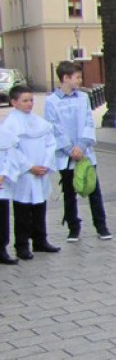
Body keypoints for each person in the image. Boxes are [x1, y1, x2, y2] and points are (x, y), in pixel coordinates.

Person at [45, 61, 113, 242]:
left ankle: (101, 226)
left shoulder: (83, 98)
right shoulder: (51, 102)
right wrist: (69, 149)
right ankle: (73, 227)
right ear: (65, 78)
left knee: (93, 189)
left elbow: (88, 122)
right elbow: (54, 127)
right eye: (77, 77)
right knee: (69, 193)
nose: (80, 80)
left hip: (85, 153)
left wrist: (82, 146)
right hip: (66, 156)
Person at [2, 87, 59, 259]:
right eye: (25, 100)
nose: (29, 104)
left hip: (40, 171)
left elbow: (50, 143)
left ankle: (40, 240)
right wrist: (28, 166)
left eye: (31, 100)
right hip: (24, 174)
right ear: (14, 102)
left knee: (39, 206)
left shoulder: (39, 121)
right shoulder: (10, 124)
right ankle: (22, 245)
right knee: (23, 210)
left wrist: (45, 164)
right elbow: (11, 150)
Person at [0, 124, 27, 264]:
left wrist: (3, 174)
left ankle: (1, 249)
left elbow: (10, 156)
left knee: (2, 216)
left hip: (1, 181)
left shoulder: (4, 133)